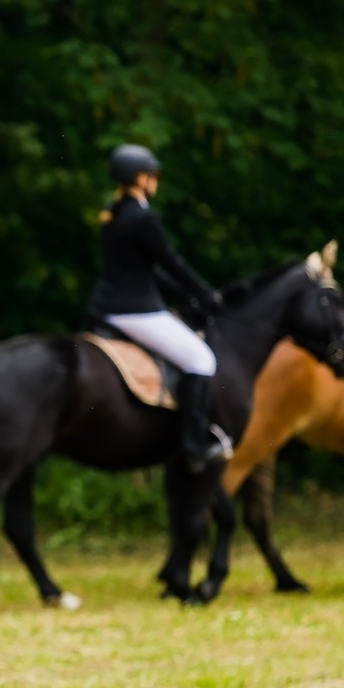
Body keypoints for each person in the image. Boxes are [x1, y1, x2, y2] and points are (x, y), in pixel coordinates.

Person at [89, 144, 226, 473]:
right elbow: (170, 261)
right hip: (136, 310)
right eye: (153, 175)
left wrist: (185, 295)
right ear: (139, 178)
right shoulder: (143, 217)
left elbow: (143, 269)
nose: (156, 181)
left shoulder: (113, 213)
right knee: (201, 359)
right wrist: (205, 293)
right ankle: (194, 445)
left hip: (107, 306)